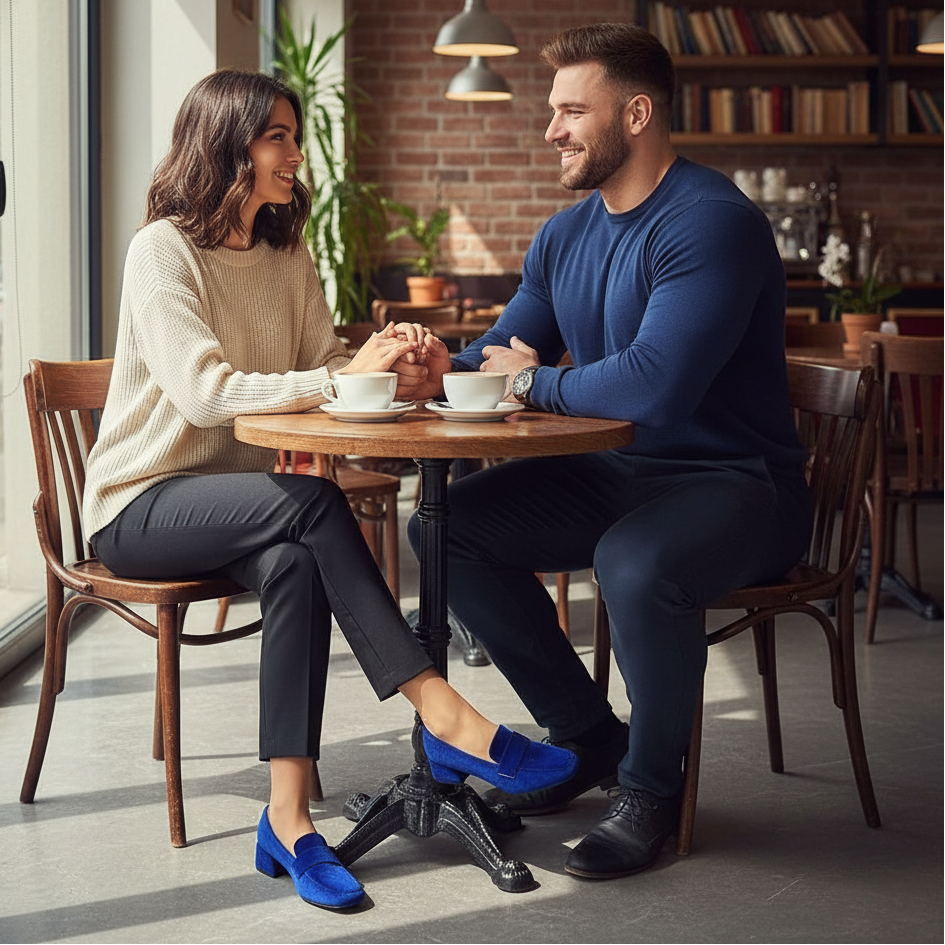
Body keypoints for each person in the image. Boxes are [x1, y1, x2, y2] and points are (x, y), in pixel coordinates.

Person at [82, 69, 577, 911]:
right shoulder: (161, 249)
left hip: (244, 510)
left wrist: (392, 366)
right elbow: (206, 393)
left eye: (291, 135)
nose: (295, 155)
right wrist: (335, 376)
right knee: (310, 506)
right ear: (229, 143)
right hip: (140, 505)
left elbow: (327, 368)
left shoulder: (285, 248)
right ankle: (444, 711)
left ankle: (289, 820)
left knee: (298, 559)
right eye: (278, 135)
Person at [404, 23, 814, 880]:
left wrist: (530, 384)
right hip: (619, 475)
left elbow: (652, 385)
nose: (549, 129)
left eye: (568, 111)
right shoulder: (563, 236)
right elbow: (505, 348)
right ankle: (589, 737)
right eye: (550, 112)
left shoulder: (711, 223)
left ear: (635, 113)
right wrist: (440, 365)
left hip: (736, 487)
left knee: (631, 560)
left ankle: (648, 793)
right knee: (448, 527)